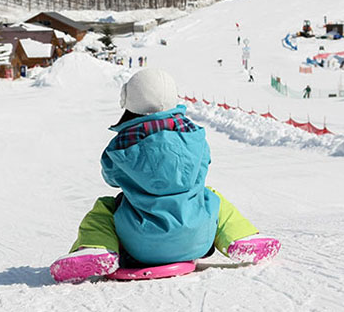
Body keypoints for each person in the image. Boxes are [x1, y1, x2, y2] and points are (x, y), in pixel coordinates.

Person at [50, 69, 280, 283]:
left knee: (105, 208)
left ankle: (96, 248)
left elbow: (111, 177)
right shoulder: (193, 133)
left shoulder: (121, 143)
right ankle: (242, 238)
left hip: (140, 242)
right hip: (196, 238)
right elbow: (204, 164)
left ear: (128, 101)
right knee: (212, 199)